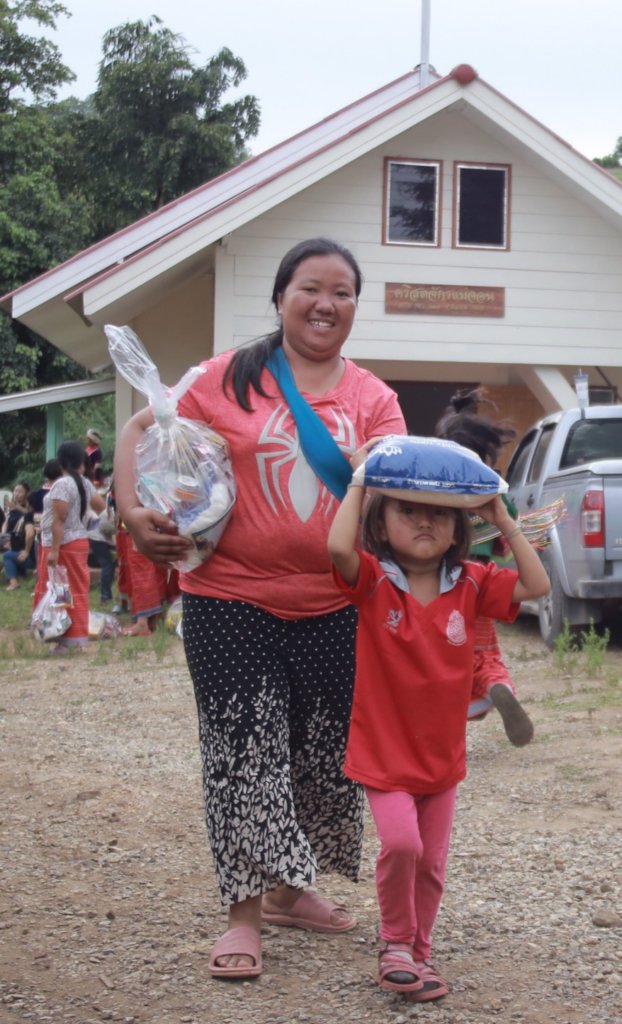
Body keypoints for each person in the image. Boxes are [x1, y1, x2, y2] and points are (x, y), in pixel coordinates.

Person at [113, 237, 407, 980]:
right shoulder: (226, 377)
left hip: (338, 605)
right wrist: (129, 511)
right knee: (244, 751)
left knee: (323, 759)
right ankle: (243, 914)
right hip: (230, 599)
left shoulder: (374, 398)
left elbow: (398, 487)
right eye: (311, 287)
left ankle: (287, 888)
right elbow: (140, 430)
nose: (326, 304)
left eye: (343, 292)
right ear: (280, 298)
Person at [327, 465, 550, 1000]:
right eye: (407, 510)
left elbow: (536, 585)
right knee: (402, 845)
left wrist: (503, 518)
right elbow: (337, 548)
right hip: (382, 749)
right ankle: (396, 945)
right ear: (379, 524)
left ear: (459, 527)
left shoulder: (473, 581)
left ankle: (419, 954)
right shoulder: (372, 579)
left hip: (442, 758)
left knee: (430, 860)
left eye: (437, 513)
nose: (424, 522)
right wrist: (361, 482)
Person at [435, 387, 534, 746]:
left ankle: (449, 719)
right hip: (480, 584)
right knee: (484, 652)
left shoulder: (436, 491)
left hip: (437, 585)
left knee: (445, 653)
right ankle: (497, 686)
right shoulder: (493, 492)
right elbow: (507, 545)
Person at [34, 441, 106, 653]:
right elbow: (101, 508)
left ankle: (67, 639)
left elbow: (59, 519)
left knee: (63, 590)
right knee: (77, 589)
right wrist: (87, 526)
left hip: (63, 544)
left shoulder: (62, 484)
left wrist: (54, 550)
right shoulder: (85, 483)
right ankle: (77, 637)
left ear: (61, 461)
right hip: (80, 542)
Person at [2, 482, 36, 590]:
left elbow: (30, 514)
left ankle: (14, 581)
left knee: (7, 555)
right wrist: (4, 535)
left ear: (26, 493)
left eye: (20, 491)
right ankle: (19, 574)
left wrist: (16, 507)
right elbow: (6, 522)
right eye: (15, 491)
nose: (17, 494)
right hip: (13, 540)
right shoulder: (12, 509)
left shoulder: (30, 507)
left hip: (27, 549)